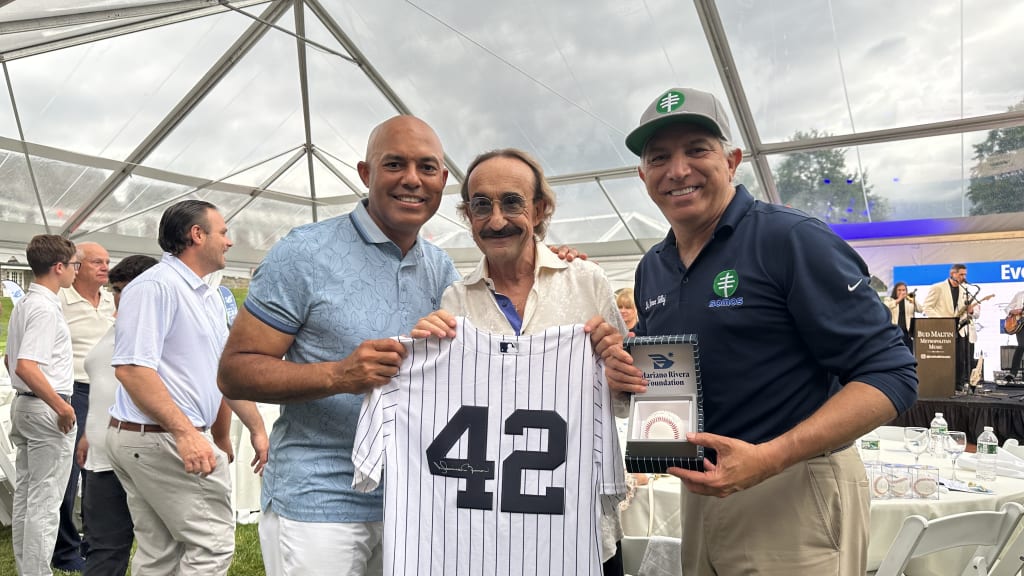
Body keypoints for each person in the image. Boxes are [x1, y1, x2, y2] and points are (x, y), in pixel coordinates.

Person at [607, 87, 918, 575]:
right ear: (642, 176)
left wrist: (769, 458)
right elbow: (666, 373)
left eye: (697, 149)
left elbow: (892, 374)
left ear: (732, 160)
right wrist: (624, 373)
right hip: (702, 491)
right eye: (660, 157)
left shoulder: (790, 239)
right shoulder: (654, 268)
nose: (678, 169)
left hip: (793, 491)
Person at [408, 148, 629, 575]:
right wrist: (423, 356)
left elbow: (621, 401)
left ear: (540, 208)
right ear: (467, 214)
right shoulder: (455, 300)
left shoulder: (587, 282)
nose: (495, 220)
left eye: (512, 202)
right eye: (480, 205)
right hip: (487, 532)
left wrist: (619, 375)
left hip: (580, 527)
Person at [106, 200, 269, 576]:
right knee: (212, 544)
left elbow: (224, 374)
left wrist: (257, 428)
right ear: (197, 235)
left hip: (156, 438)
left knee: (160, 552)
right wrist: (186, 434)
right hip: (162, 438)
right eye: (223, 232)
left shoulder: (207, 295)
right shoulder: (155, 287)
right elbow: (131, 369)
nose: (229, 242)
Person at [74, 254, 155, 576]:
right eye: (115, 288)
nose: (117, 296)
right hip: (100, 454)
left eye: (123, 288)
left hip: (139, 451)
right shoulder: (116, 326)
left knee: (158, 547)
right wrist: (88, 435)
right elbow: (104, 385)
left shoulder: (157, 330)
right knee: (103, 547)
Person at [6, 234, 79, 576]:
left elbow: (10, 359)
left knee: (28, 494)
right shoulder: (44, 308)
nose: (75, 272)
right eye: (74, 265)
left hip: (26, 405)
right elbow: (25, 364)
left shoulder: (24, 304)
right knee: (45, 501)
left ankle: (28, 570)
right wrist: (61, 407)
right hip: (46, 407)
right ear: (59, 267)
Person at [55, 241, 115, 571]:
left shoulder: (111, 302)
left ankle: (94, 544)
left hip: (107, 393)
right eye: (97, 262)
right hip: (74, 391)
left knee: (100, 472)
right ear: (76, 267)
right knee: (69, 474)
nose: (105, 267)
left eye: (107, 261)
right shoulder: (60, 300)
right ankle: (65, 550)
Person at [922, 264, 980, 390]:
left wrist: (970, 311)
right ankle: (942, 383)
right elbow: (927, 307)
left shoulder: (965, 289)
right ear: (952, 273)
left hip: (960, 329)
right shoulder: (938, 287)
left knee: (960, 358)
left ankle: (958, 384)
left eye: (965, 274)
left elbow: (973, 312)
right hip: (942, 329)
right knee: (944, 359)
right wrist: (942, 321)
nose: (963, 277)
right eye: (961, 274)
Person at [883, 282, 917, 350]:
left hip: (908, 333)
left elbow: (921, 309)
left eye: (903, 290)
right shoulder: (889, 299)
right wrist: (899, 299)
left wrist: (914, 301)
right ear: (895, 291)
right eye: (899, 290)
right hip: (895, 332)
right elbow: (886, 307)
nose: (901, 292)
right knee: (896, 351)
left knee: (909, 352)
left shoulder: (909, 300)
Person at [1006, 289, 1024, 379]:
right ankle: (1013, 373)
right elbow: (1008, 308)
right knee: (1021, 346)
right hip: (1020, 324)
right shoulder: (1020, 294)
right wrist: (1013, 311)